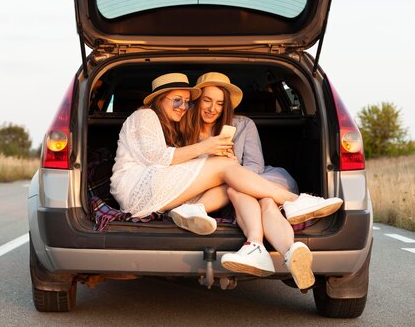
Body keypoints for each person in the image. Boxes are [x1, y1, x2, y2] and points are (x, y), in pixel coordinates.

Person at [110, 72, 343, 242]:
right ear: (159, 100)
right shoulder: (145, 115)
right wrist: (206, 149)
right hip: (137, 188)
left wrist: (218, 160)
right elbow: (160, 158)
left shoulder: (171, 125)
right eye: (176, 100)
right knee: (225, 168)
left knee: (229, 176)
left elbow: (252, 165)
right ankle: (294, 201)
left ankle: (243, 234)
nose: (183, 106)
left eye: (186, 101)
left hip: (157, 190)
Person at [181, 71, 321, 289]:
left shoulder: (244, 124)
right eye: (207, 101)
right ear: (197, 101)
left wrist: (232, 166)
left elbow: (255, 166)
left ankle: (256, 244)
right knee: (260, 201)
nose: (212, 109)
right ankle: (291, 251)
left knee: (242, 191)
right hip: (228, 192)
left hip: (264, 178)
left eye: (219, 103)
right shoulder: (184, 130)